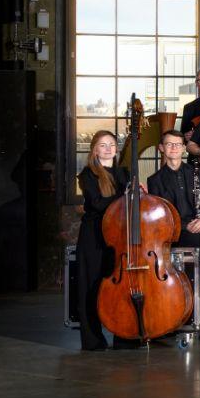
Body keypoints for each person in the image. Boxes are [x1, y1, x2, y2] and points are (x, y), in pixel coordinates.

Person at [148, 130, 200, 321]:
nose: (174, 148)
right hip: (176, 232)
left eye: (178, 144)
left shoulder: (197, 173)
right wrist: (186, 225)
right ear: (161, 149)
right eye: (169, 144)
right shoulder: (155, 180)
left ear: (184, 148)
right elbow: (161, 215)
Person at [75, 131, 131, 350]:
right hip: (95, 236)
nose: (108, 148)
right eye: (102, 145)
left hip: (119, 235)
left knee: (119, 287)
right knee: (91, 286)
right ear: (95, 150)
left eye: (111, 144)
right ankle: (93, 340)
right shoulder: (87, 174)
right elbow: (98, 204)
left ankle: (124, 335)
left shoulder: (124, 173)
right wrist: (127, 195)